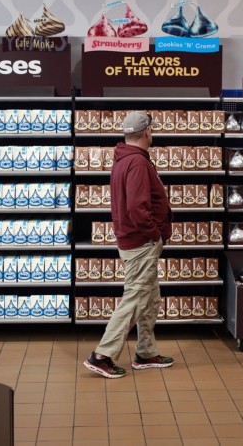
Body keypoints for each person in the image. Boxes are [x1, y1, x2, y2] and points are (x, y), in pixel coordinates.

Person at [83, 111, 174, 379]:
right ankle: (103, 355)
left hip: (135, 239)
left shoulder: (125, 159)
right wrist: (154, 233)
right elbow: (137, 207)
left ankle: (145, 353)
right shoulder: (137, 163)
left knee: (150, 296)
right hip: (142, 241)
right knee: (135, 296)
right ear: (147, 132)